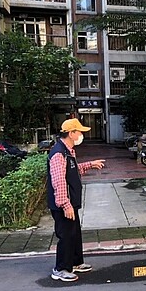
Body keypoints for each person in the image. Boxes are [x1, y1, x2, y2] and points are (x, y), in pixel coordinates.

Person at [47, 118, 105, 282]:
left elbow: (72, 170)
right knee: (65, 235)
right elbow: (58, 181)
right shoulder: (58, 154)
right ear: (71, 134)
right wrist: (65, 205)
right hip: (63, 204)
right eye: (79, 132)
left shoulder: (68, 151)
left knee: (74, 234)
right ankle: (60, 269)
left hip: (71, 201)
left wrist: (90, 164)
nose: (81, 135)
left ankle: (75, 263)